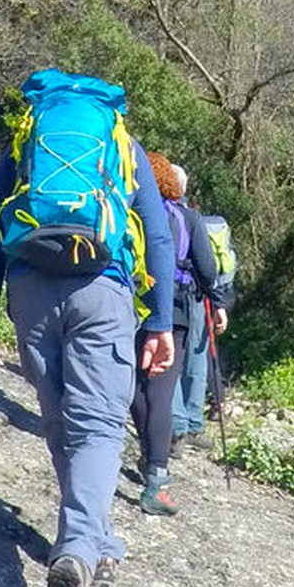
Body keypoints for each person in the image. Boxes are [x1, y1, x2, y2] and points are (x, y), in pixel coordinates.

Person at [0, 70, 174, 587]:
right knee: (100, 427)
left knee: (62, 422)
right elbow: (156, 237)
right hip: (102, 289)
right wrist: (158, 321)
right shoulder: (124, 148)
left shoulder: (27, 141)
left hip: (31, 289)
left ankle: (94, 542)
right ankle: (79, 553)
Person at [131, 153, 208, 515]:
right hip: (173, 310)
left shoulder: (129, 209)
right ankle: (156, 477)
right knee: (159, 391)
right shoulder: (187, 218)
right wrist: (220, 300)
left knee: (133, 387)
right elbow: (207, 268)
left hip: (128, 304)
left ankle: (149, 455)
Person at [171, 168, 234, 445]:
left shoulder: (156, 215)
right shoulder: (193, 218)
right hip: (198, 296)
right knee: (196, 359)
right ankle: (193, 423)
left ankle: (177, 427)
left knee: (170, 360)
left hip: (168, 295)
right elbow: (208, 268)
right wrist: (218, 301)